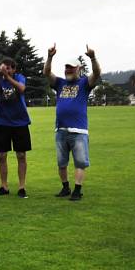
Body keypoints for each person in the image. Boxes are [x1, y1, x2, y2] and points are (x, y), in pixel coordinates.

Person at [44, 44, 101, 201]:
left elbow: (96, 73)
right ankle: (65, 187)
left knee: (80, 162)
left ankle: (77, 190)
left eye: (71, 68)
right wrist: (50, 57)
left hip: (79, 131)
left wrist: (93, 57)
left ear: (78, 69)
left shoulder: (84, 84)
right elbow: (46, 72)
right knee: (61, 163)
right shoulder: (60, 83)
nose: (68, 70)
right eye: (66, 68)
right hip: (61, 130)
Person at [0, 57, 31, 198]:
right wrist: (0, 77)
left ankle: (21, 187)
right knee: (1, 155)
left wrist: (7, 77)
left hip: (20, 122)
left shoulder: (20, 77)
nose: (5, 70)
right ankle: (4, 186)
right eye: (3, 68)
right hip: (2, 122)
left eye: (8, 68)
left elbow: (21, 89)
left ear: (14, 69)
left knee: (21, 155)